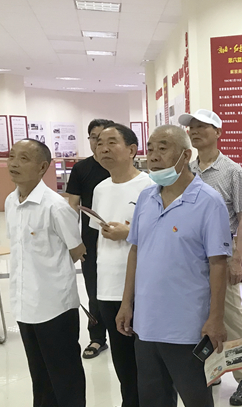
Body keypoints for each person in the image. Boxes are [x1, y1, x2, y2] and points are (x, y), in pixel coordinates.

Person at [115, 125, 232, 407]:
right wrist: (126, 303)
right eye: (151, 148)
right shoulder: (146, 198)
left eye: (163, 148)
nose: (154, 156)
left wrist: (216, 318)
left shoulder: (209, 201)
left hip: (187, 327)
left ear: (185, 155)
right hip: (146, 324)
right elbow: (135, 251)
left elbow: (218, 263)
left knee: (196, 399)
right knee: (152, 398)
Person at [182, 109, 242, 405]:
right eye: (192, 127)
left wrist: (237, 259)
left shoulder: (231, 170)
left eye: (202, 126)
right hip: (192, 255)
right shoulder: (186, 170)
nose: (195, 131)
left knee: (231, 317)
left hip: (223, 254)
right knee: (200, 314)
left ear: (218, 132)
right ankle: (212, 370)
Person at [5, 139, 87, 407]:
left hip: (54, 307)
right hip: (24, 304)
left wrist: (52, 274)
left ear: (42, 167)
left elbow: (77, 250)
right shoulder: (10, 201)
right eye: (12, 156)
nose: (14, 164)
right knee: (40, 377)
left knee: (65, 376)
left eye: (23, 159)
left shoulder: (55, 206)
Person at [90, 124, 153, 407]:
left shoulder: (149, 187)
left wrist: (129, 233)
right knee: (123, 364)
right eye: (99, 143)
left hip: (141, 287)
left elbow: (163, 235)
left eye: (112, 142)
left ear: (131, 150)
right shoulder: (100, 188)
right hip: (107, 287)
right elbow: (98, 237)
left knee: (147, 365)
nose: (103, 148)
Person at [65, 118, 112, 359]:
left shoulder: (120, 167)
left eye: (106, 139)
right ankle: (97, 337)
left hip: (120, 238)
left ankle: (128, 334)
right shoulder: (81, 169)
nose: (100, 144)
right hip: (91, 240)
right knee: (93, 290)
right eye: (95, 138)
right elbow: (72, 206)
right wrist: (74, 240)